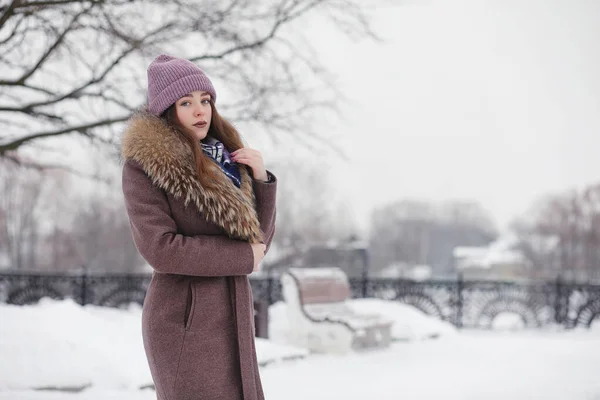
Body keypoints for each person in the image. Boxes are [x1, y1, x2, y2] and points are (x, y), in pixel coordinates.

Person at [120, 54, 277, 400]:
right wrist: (242, 258)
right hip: (183, 322)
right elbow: (161, 248)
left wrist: (262, 180)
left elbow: (257, 244)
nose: (199, 110)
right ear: (167, 111)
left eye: (204, 100)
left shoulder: (227, 161)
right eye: (186, 102)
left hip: (232, 315)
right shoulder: (145, 167)